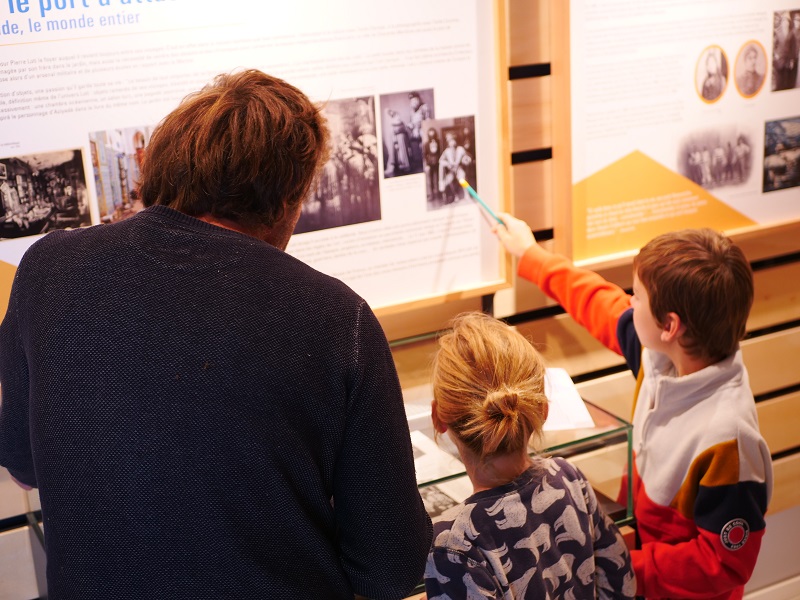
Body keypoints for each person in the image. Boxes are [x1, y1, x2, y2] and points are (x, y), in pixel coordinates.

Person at [0, 69, 432, 600]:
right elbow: (390, 564)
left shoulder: (49, 268)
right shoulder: (335, 317)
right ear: (288, 199)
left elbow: (22, 465)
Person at [493, 218, 773, 599]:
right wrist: (532, 256)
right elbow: (597, 302)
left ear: (670, 325)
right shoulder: (662, 355)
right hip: (635, 574)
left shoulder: (730, 441)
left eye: (637, 296)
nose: (628, 302)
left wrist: (616, 562)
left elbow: (724, 564)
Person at [424, 311, 636, 599]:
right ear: (543, 411)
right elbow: (619, 580)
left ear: (438, 418)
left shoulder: (454, 543)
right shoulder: (568, 477)